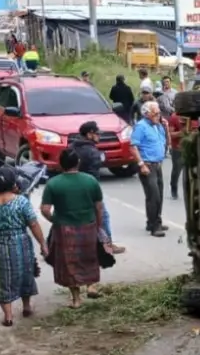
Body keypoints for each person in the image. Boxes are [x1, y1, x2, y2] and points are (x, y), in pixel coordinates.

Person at [0, 165, 48, 326]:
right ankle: (27, 306)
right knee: (24, 273)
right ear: (13, 184)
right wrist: (43, 244)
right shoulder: (21, 202)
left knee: (1, 278)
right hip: (19, 242)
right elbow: (34, 224)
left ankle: (8, 316)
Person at [40, 147, 105, 308]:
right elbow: (99, 207)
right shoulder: (90, 180)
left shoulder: (53, 184)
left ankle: (76, 299)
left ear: (61, 164)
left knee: (70, 263)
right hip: (88, 225)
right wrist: (98, 225)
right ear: (78, 162)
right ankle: (91, 286)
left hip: (65, 229)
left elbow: (45, 209)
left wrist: (56, 220)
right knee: (89, 257)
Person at [70, 121, 125, 255]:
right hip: (89, 189)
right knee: (103, 215)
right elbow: (95, 173)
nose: (99, 137)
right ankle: (107, 244)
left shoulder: (72, 146)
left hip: (73, 187)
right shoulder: (92, 152)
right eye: (97, 134)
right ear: (89, 134)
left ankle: (60, 245)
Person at [130, 101, 168, 237]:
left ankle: (153, 221)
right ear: (146, 114)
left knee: (159, 195)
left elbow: (164, 142)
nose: (158, 116)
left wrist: (166, 126)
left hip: (157, 164)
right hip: (147, 165)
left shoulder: (158, 126)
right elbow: (133, 147)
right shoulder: (141, 127)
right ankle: (155, 226)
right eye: (155, 113)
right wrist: (141, 164)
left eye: (159, 113)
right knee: (154, 196)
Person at [167, 110, 190, 200]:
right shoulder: (174, 117)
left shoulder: (194, 117)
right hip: (177, 148)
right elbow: (170, 134)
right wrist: (182, 133)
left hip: (190, 148)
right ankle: (174, 189)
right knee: (177, 170)